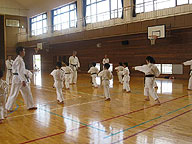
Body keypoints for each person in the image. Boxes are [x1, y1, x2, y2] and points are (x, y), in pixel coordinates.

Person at [5, 46, 37, 111]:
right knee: (14, 93)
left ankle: (30, 105)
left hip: (19, 78)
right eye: (24, 51)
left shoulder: (19, 59)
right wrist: (23, 80)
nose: (24, 52)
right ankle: (8, 107)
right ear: (20, 52)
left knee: (27, 92)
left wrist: (27, 73)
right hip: (17, 79)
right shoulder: (19, 60)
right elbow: (20, 71)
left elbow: (22, 70)